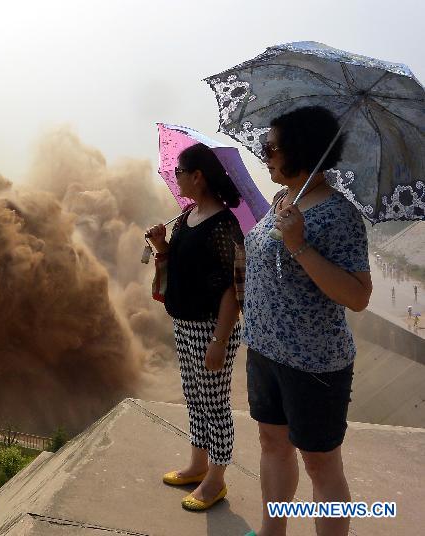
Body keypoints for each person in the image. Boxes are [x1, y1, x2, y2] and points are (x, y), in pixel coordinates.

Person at [242, 106, 371, 536]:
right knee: (272, 444)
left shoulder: (339, 215)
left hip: (313, 364)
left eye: (272, 147)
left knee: (320, 465)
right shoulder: (283, 200)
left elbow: (358, 296)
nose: (266, 155)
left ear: (303, 151)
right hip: (265, 350)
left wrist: (298, 245)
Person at [146, 143, 244, 511]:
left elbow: (233, 289)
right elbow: (184, 266)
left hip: (210, 328)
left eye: (180, 173)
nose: (176, 179)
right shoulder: (187, 215)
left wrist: (219, 340)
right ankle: (197, 464)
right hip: (184, 323)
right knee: (194, 396)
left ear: (198, 176)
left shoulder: (225, 225)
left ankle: (216, 481)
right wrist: (161, 245)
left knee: (215, 404)